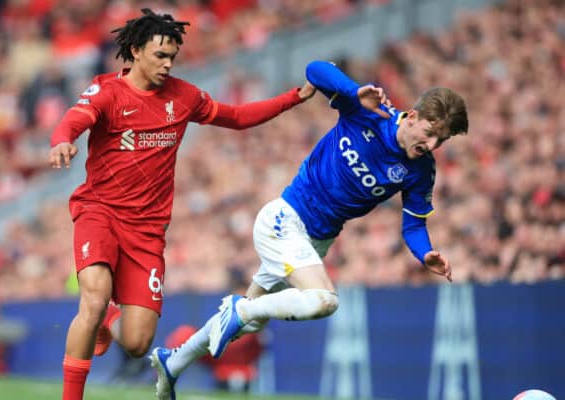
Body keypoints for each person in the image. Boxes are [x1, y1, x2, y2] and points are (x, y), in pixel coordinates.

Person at [150, 59, 468, 399]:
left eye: (442, 140)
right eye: (430, 133)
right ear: (414, 116)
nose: (432, 145)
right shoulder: (370, 111)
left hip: (316, 240)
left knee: (249, 322)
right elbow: (315, 69)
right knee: (323, 301)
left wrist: (425, 253)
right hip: (285, 219)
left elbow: (413, 224)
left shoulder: (421, 169)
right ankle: (239, 309)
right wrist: (352, 91)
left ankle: (173, 363)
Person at [48, 9, 315, 400]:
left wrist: (293, 98)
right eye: (160, 56)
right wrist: (61, 140)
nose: (167, 64)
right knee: (93, 295)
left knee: (138, 343)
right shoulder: (107, 91)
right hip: (99, 211)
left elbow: (237, 116)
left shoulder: (184, 96)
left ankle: (111, 318)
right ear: (136, 51)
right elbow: (74, 118)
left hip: (148, 230)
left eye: (172, 57)